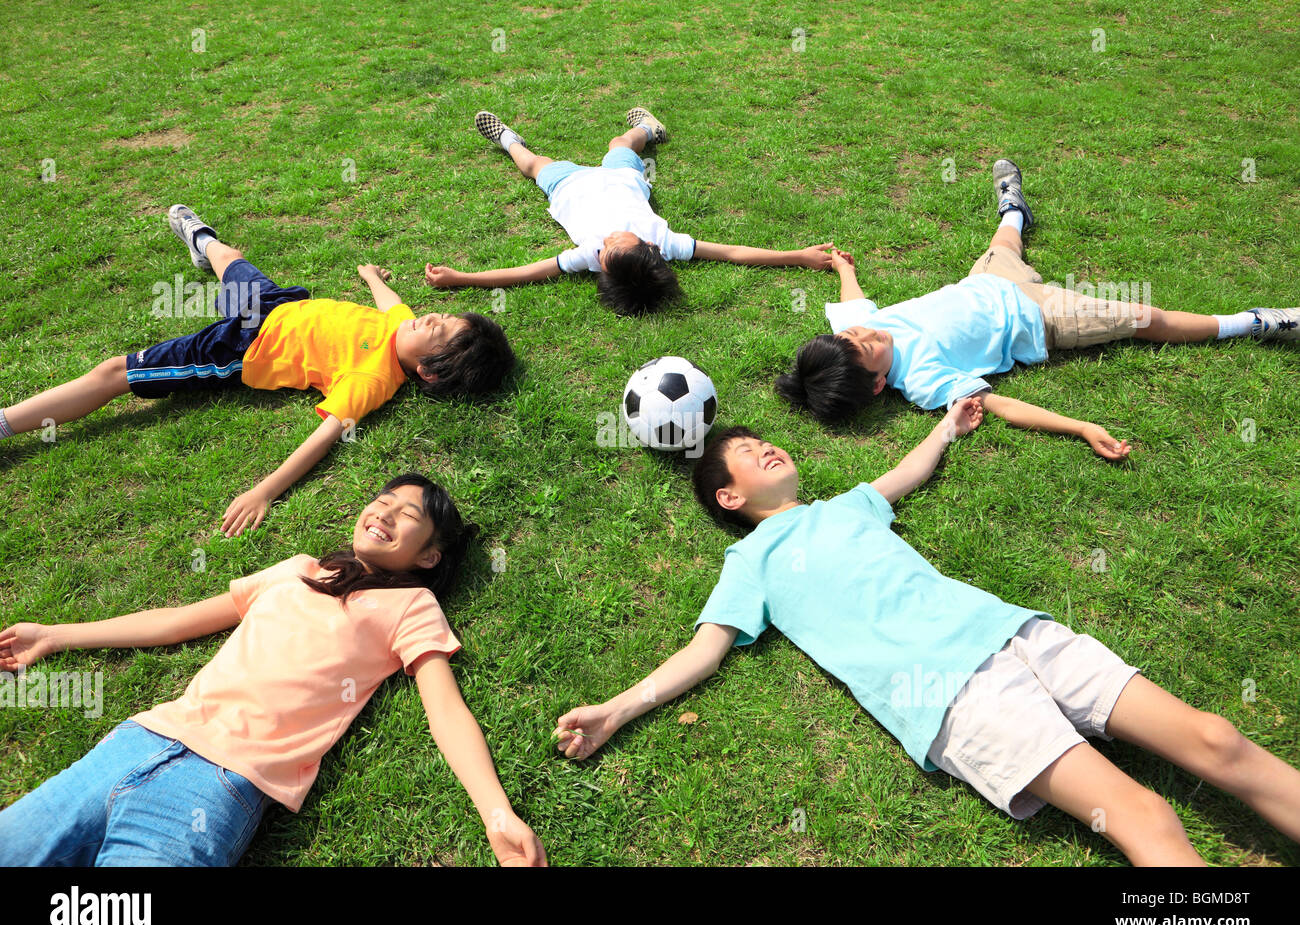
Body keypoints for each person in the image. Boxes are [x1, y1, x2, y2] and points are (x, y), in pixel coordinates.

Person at [553, 404, 1300, 865]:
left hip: (1014, 633)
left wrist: (948, 425)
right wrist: (614, 710)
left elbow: (901, 474)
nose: (766, 448)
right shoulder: (750, 561)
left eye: (765, 440)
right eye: (747, 454)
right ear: (730, 495)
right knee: (1143, 813)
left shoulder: (846, 506)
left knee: (1217, 739)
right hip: (951, 697)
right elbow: (704, 649)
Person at [0, 473, 546, 866]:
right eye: (382, 501)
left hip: (218, 786)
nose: (384, 512)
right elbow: (178, 622)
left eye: (408, 516)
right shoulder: (296, 571)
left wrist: (498, 814)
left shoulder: (412, 606)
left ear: (428, 557)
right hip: (138, 741)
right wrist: (54, 635)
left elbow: (446, 713)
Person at [0, 207, 516, 535]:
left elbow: (327, 435)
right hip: (273, 305)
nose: (438, 317)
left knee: (115, 372)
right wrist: (370, 276)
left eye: (444, 330)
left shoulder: (375, 379)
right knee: (231, 257)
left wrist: (265, 490)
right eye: (448, 315)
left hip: (240, 347)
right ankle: (202, 240)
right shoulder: (404, 328)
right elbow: (393, 303)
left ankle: (7, 423)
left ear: (428, 371)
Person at [776, 160, 1299, 458]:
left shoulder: (853, 329)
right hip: (1044, 317)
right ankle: (1254, 322)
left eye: (856, 336)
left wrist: (844, 269)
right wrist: (1079, 428)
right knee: (1145, 318)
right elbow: (1001, 405)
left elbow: (851, 307)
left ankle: (1013, 206)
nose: (868, 335)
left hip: (984, 282)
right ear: (875, 385)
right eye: (868, 350)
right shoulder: (923, 380)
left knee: (1005, 240)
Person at [423, 107, 836, 314]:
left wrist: (463, 278)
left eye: (604, 252)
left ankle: (508, 139)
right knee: (619, 144)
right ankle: (648, 128)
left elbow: (523, 273)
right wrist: (797, 256)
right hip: (621, 177)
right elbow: (732, 252)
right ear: (645, 245)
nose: (605, 242)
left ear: (600, 267)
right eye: (617, 242)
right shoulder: (665, 243)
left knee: (532, 164)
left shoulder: (589, 256)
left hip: (567, 186)